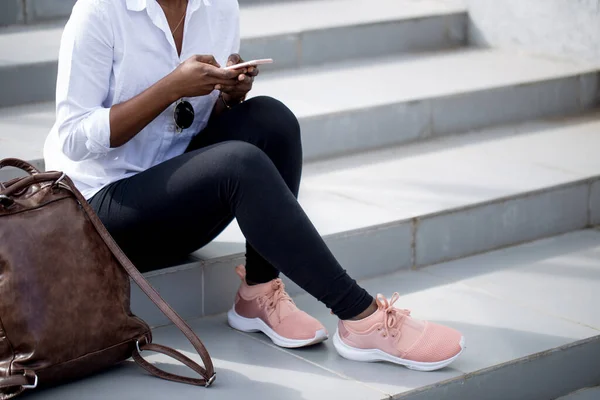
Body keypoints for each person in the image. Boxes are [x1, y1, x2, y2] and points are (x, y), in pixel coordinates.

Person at [44, 0, 465, 371]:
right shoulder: (100, 11)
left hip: (169, 203)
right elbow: (73, 137)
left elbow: (189, 129)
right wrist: (171, 87)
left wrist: (227, 97)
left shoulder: (219, 6)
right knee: (238, 164)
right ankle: (362, 317)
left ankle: (258, 295)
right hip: (101, 212)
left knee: (272, 121)